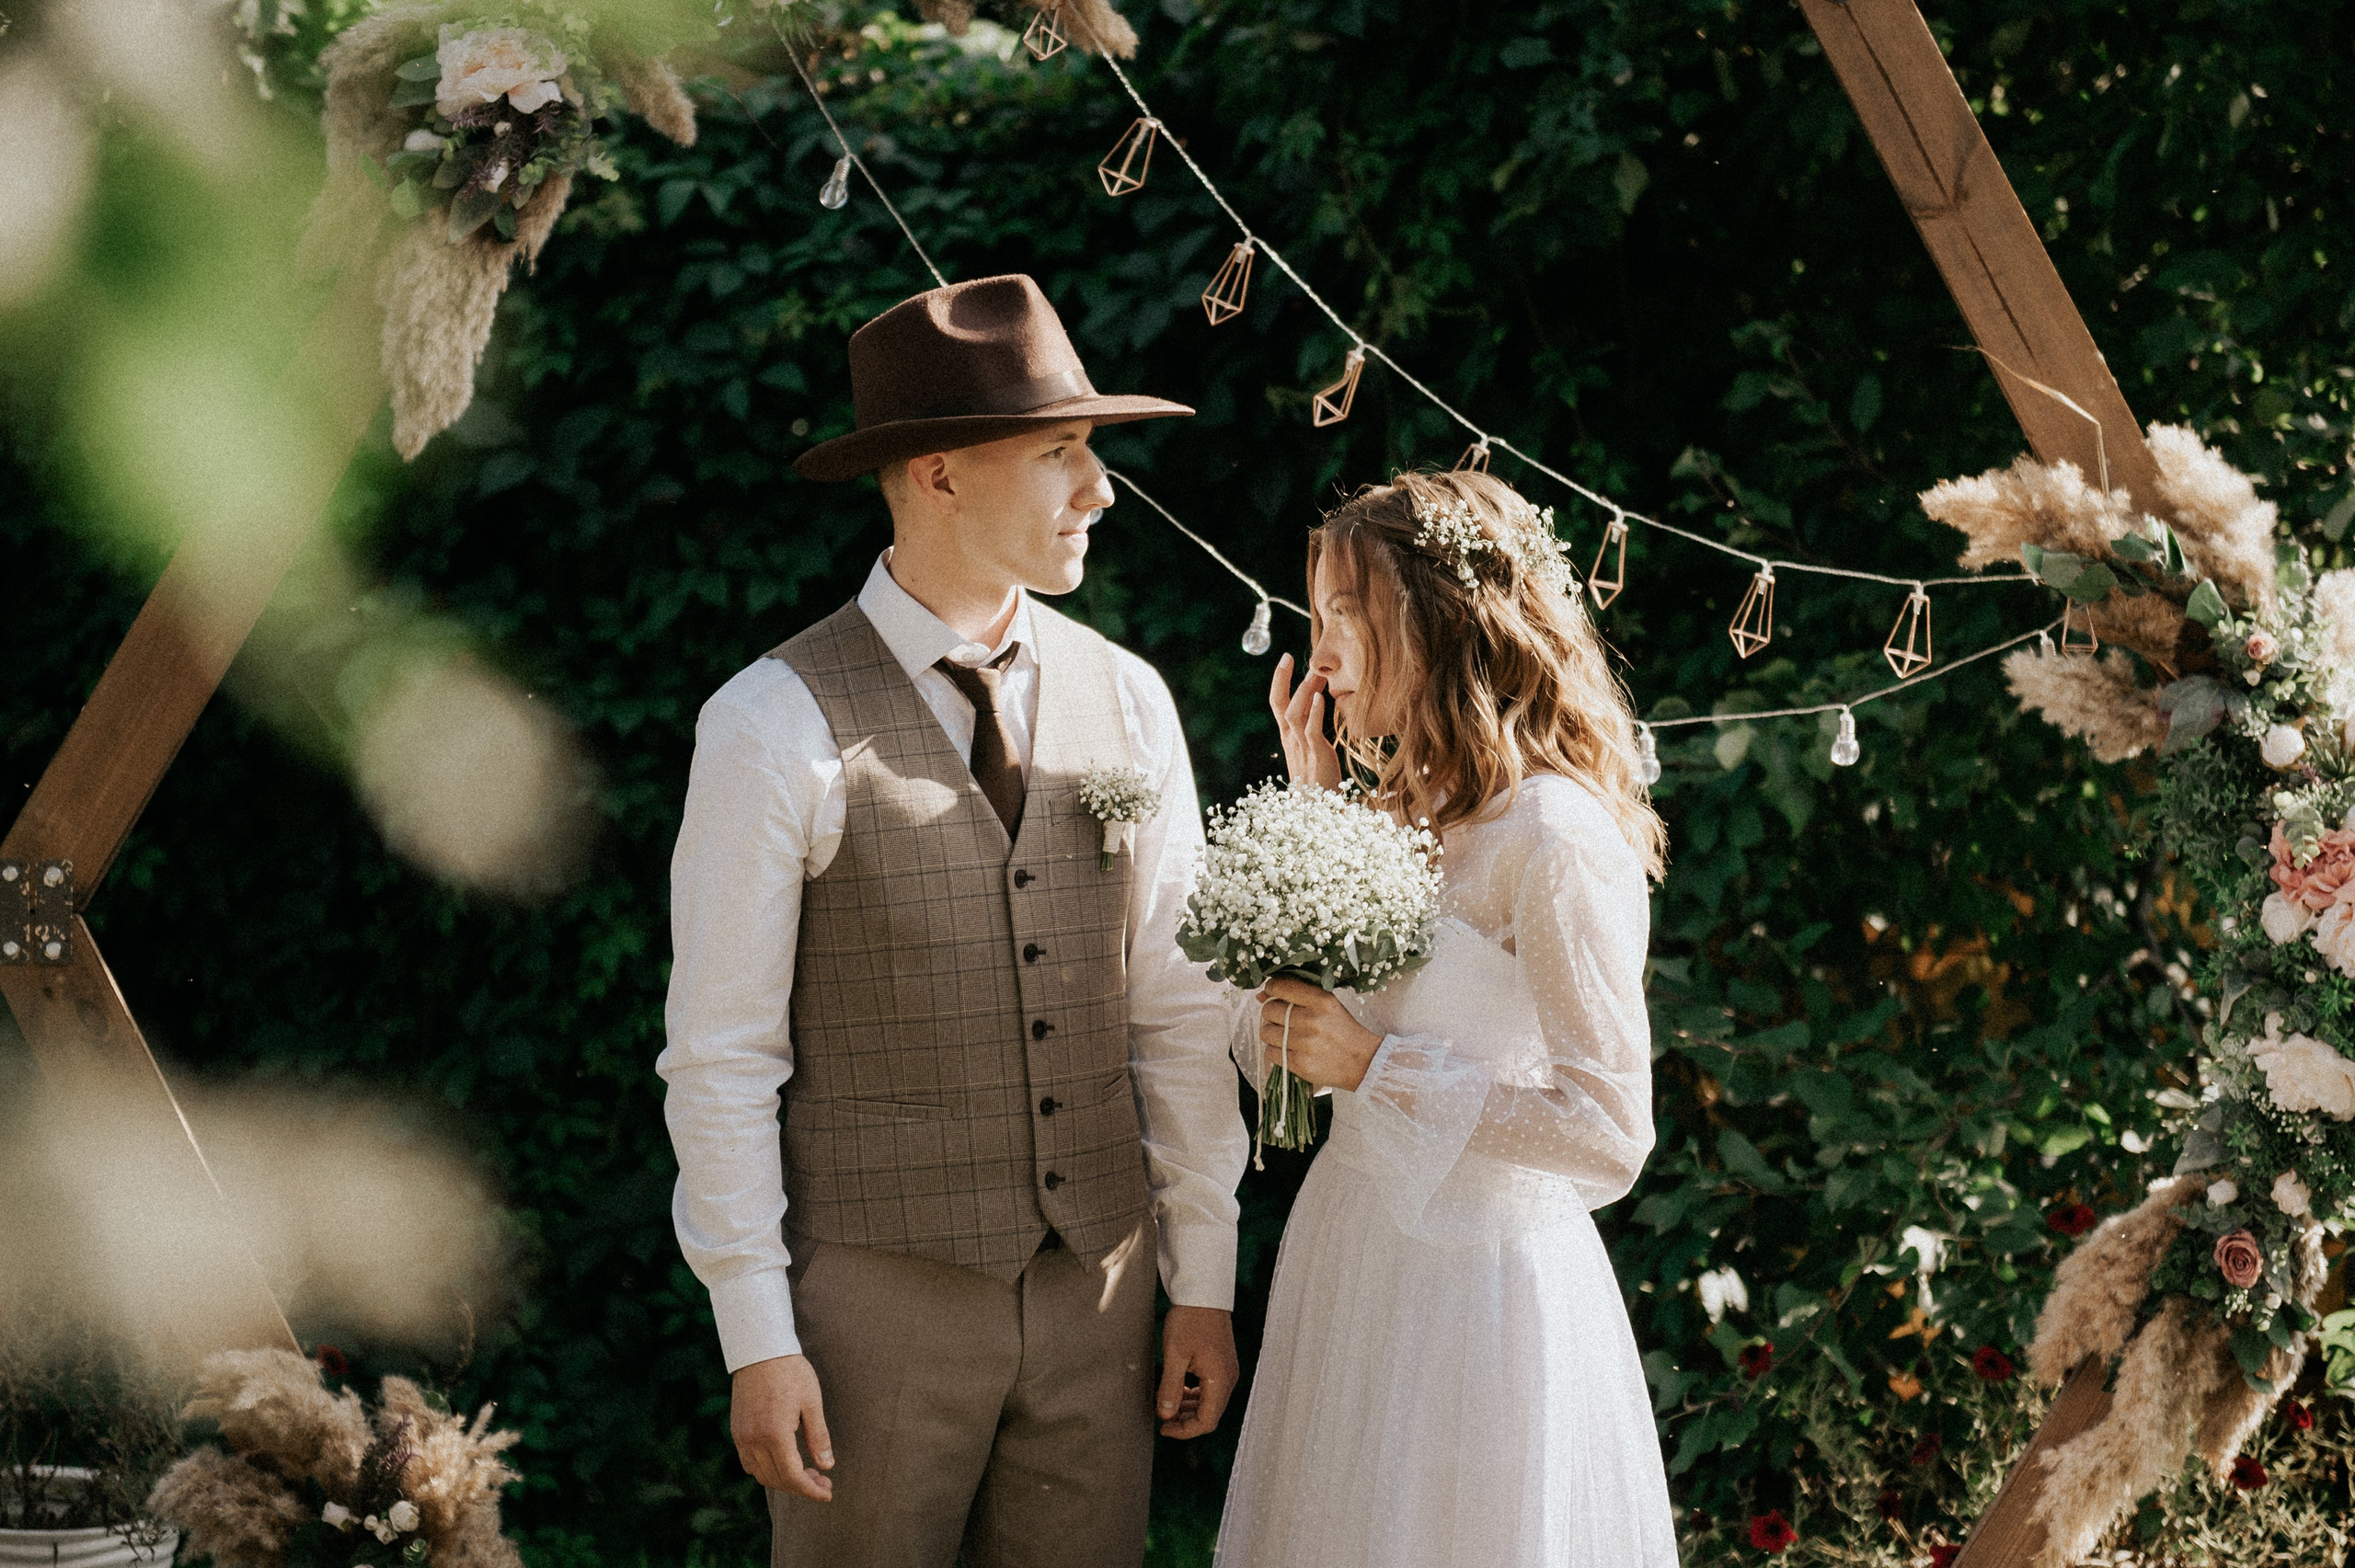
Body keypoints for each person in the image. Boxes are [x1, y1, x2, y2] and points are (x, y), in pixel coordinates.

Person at [658, 274, 1250, 1568]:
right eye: (1058, 452)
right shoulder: (769, 722)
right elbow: (721, 1057)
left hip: (1100, 1298)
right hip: (874, 1312)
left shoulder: (1131, 700)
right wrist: (757, 1334)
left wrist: (1200, 1277)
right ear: (937, 475)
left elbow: (1179, 1011)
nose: (1098, 488)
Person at [1214, 469, 1679, 1567]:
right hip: (1351, 1260)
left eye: (1344, 615)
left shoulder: (1553, 838)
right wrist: (1316, 826)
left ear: (1436, 619)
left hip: (1480, 1302)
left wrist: (1375, 1066)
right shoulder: (1393, 813)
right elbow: (1280, 1050)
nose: (1320, 654)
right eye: (1315, 616)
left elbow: (1610, 1131)